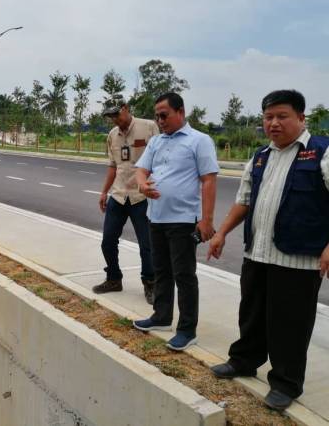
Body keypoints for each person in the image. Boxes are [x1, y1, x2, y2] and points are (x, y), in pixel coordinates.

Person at [207, 89, 329, 411]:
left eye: (282, 116)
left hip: (299, 259)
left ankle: (286, 384)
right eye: (268, 117)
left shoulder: (321, 152)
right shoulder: (261, 156)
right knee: (252, 313)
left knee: (290, 323)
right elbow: (243, 201)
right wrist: (221, 233)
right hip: (257, 254)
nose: (273, 123)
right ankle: (244, 360)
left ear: (301, 118)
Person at [133, 92, 219, 351]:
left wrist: (207, 220)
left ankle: (187, 330)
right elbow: (141, 170)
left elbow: (209, 180)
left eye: (164, 115)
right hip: (155, 216)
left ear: (180, 112)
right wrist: (142, 184)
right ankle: (161, 316)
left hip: (183, 220)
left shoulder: (199, 141)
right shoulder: (157, 142)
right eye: (157, 116)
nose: (160, 120)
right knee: (161, 270)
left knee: (184, 275)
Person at [92, 100, 159, 304]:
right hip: (119, 195)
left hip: (141, 196)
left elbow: (161, 159)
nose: (114, 119)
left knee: (146, 245)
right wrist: (104, 192)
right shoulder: (112, 135)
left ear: (126, 109)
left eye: (116, 114)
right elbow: (113, 166)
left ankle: (150, 283)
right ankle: (114, 278)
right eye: (110, 116)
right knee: (108, 241)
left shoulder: (148, 127)